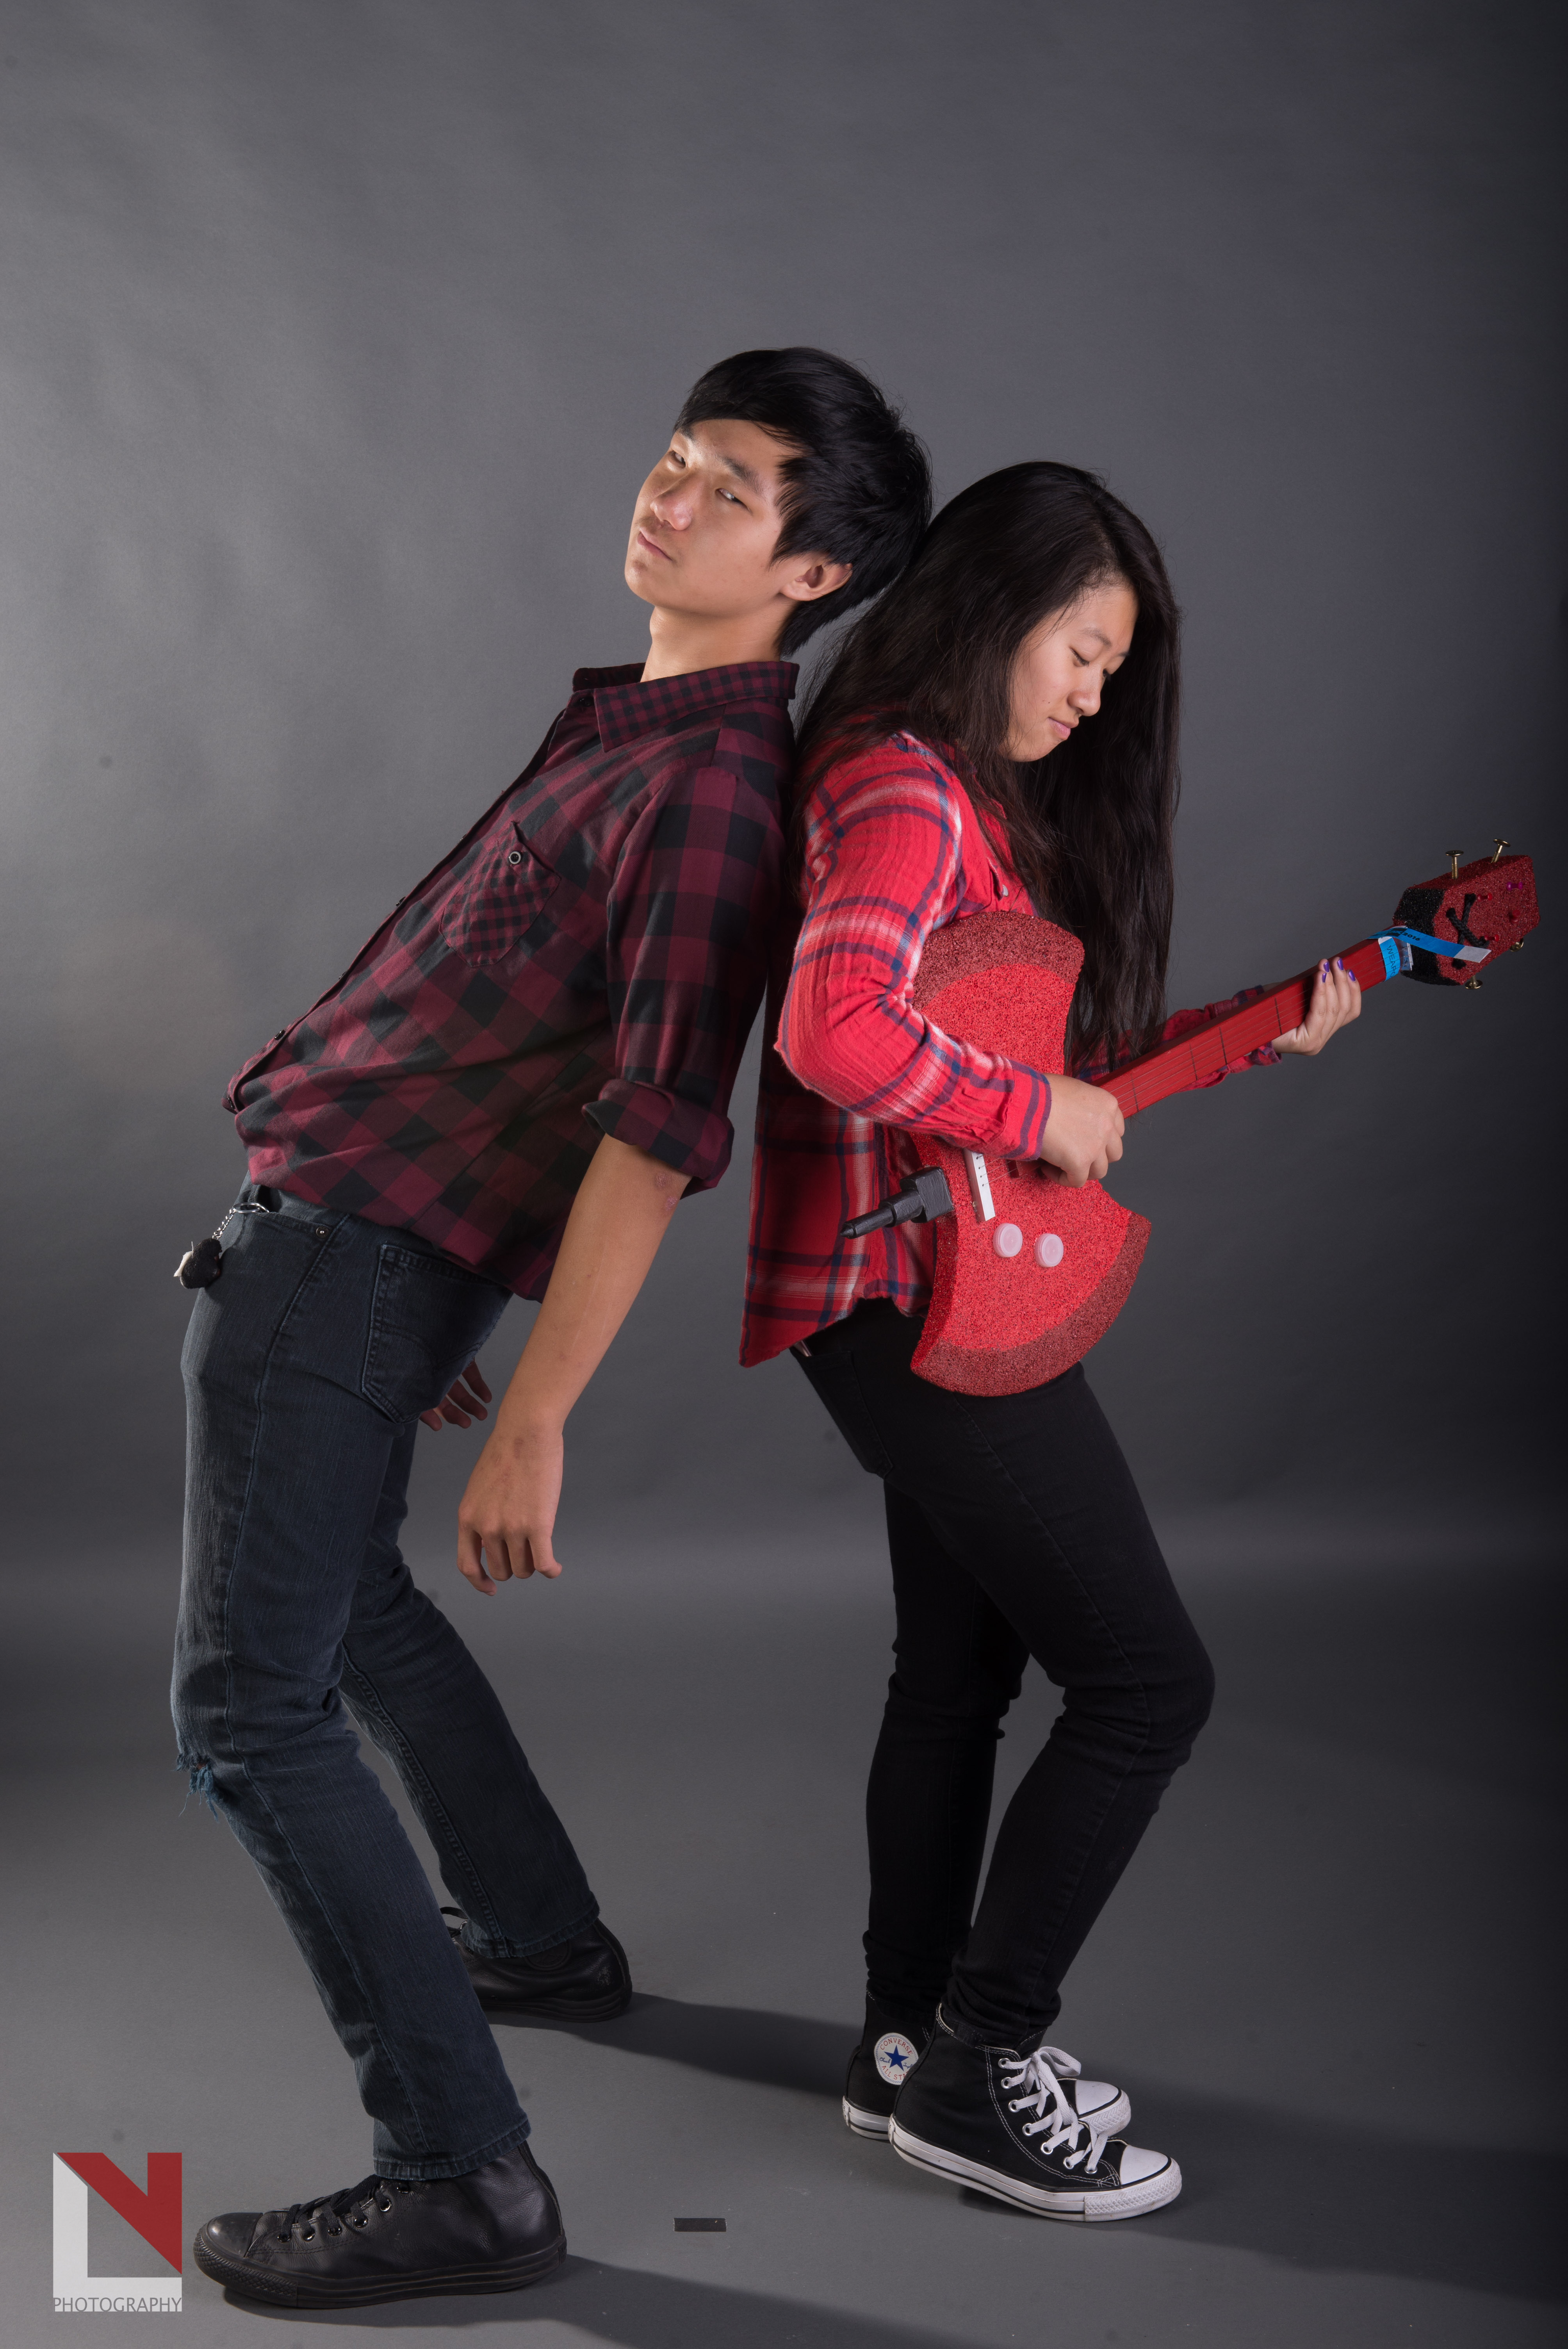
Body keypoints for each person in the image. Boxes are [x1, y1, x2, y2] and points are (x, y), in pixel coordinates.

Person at [175, 347, 932, 2308]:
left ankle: (460, 2173)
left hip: (342, 1264)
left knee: (249, 1710)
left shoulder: (708, 790)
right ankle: (537, 1939)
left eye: (729, 487)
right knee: (348, 1608)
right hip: (357, 1255)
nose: (668, 495)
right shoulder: (640, 726)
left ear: (812, 570)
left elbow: (656, 1128)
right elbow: (513, 1049)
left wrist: (540, 1413)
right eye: (674, 457)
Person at [741, 462, 1360, 2222]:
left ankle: (902, 2042)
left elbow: (1020, 1067)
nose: (1094, 695)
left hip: (908, 1292)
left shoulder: (944, 791)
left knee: (957, 1675)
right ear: (992, 611)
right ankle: (982, 2066)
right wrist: (1036, 1105)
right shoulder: (902, 788)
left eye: (1111, 669)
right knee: (1149, 1684)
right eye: (1081, 651)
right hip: (917, 1301)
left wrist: (1256, 1026)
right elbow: (832, 1030)